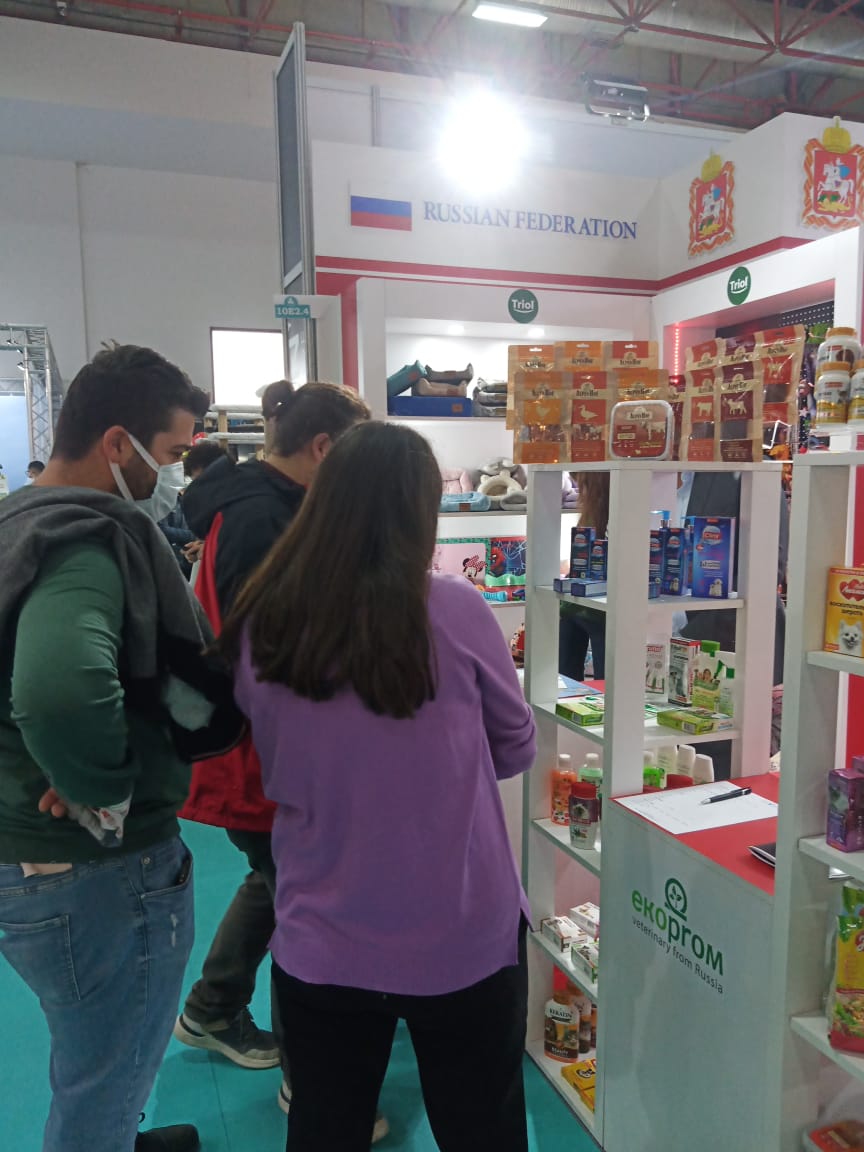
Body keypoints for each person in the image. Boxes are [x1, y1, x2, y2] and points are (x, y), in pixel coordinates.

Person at [218, 421, 537, 1152]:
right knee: (483, 1128)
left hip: (322, 929)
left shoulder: (263, 618)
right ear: (420, 512)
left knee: (325, 1128)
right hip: (460, 927)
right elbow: (515, 747)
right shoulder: (455, 609)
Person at [0, 345, 244, 1152]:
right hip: (92, 866)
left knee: (93, 1050)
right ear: (116, 443)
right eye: (168, 454)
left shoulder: (17, 521)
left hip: (28, 846)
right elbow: (59, 691)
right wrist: (100, 785)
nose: (171, 474)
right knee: (108, 1071)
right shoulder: (83, 544)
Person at [174, 381, 377, 1119]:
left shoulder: (259, 505)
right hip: (264, 754)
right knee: (308, 908)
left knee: (275, 883)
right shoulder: (263, 519)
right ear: (322, 448)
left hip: (260, 751)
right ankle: (310, 1080)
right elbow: (270, 653)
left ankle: (213, 1007)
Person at [559, 471, 608, 681]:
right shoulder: (596, 515)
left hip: (583, 607)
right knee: (606, 682)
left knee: (566, 680)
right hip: (592, 607)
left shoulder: (593, 514)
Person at [158, 441, 227, 576]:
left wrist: (213, 548)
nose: (202, 490)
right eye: (197, 483)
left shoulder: (243, 506)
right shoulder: (206, 509)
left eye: (204, 481)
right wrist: (197, 550)